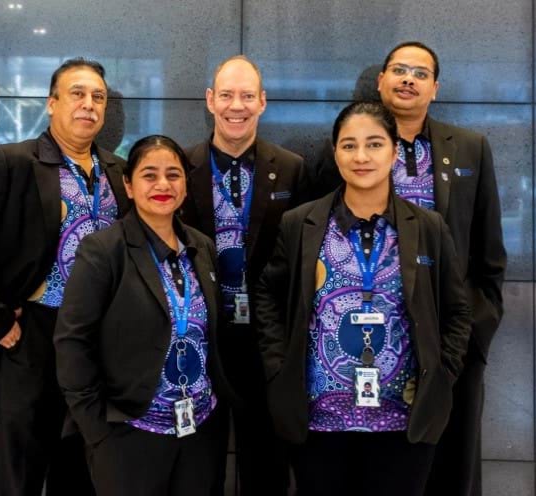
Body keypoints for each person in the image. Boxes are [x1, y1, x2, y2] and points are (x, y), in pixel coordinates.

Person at [311, 42, 506, 496]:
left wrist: (475, 332)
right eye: (398, 69)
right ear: (380, 81)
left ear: (435, 88)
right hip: (362, 337)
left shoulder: (471, 149)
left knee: (450, 457)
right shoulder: (340, 151)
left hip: (447, 335)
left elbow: (489, 252)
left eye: (420, 73)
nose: (408, 79)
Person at [0, 58, 130, 496]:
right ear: (51, 103)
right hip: (33, 334)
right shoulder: (15, 162)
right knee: (20, 466)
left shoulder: (118, 172)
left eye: (98, 97)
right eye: (77, 94)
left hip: (98, 341)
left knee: (83, 466)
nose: (89, 105)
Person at [256, 101, 471, 496]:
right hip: (318, 422)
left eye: (374, 144)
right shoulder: (300, 224)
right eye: (348, 145)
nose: (361, 156)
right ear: (335, 153)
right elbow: (268, 296)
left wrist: (442, 374)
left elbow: (457, 310)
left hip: (403, 422)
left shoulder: (427, 228)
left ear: (393, 150)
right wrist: (277, 365)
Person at [54, 135, 232, 496]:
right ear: (129, 186)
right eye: (149, 175)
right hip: (130, 434)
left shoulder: (202, 248)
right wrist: (98, 431)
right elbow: (73, 340)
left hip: (199, 430)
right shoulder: (104, 251)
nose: (163, 185)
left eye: (173, 175)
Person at [180, 55, 305, 494]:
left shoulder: (293, 168)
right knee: (198, 461)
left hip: (266, 339)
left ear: (263, 102)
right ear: (210, 101)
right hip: (200, 336)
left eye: (248, 96)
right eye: (228, 95)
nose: (238, 106)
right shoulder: (180, 164)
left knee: (267, 464)